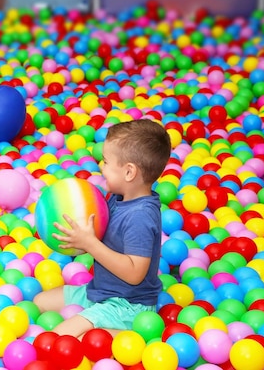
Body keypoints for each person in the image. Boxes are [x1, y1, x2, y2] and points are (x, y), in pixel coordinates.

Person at [33, 118, 171, 338]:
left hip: (128, 305)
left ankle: (129, 335)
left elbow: (135, 273)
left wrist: (90, 244)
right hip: (100, 292)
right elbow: (101, 230)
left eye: (106, 162)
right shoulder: (118, 198)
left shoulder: (140, 216)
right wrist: (79, 235)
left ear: (129, 172)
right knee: (39, 302)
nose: (101, 167)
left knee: (61, 339)